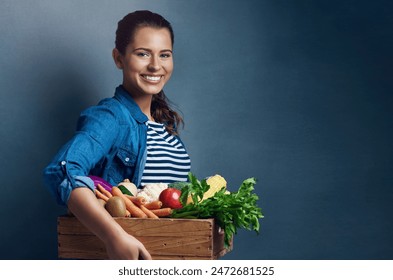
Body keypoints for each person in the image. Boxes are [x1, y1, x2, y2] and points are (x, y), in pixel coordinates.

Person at [43, 10, 191, 260]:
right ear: (119, 58)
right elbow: (62, 170)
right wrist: (114, 235)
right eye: (143, 53)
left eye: (164, 55)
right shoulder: (111, 117)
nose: (155, 65)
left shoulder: (165, 126)